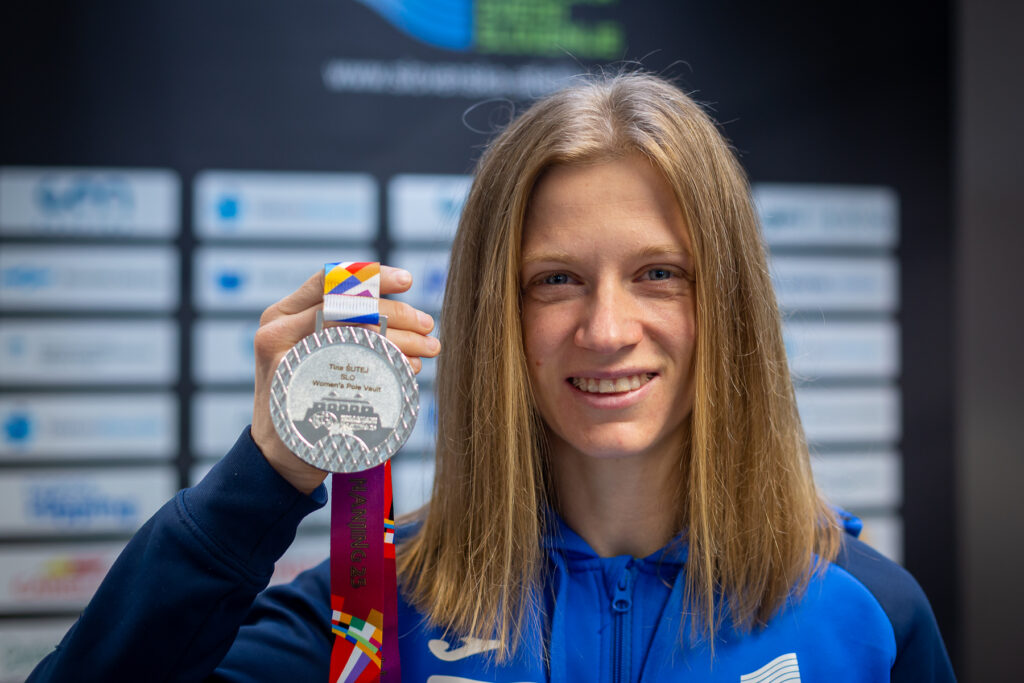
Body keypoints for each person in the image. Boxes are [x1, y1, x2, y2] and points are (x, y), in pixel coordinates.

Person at [29, 72, 955, 682]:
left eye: (658, 273)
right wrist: (267, 470)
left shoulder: (868, 612)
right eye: (555, 280)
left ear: (731, 304)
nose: (606, 329)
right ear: (495, 315)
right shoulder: (372, 607)